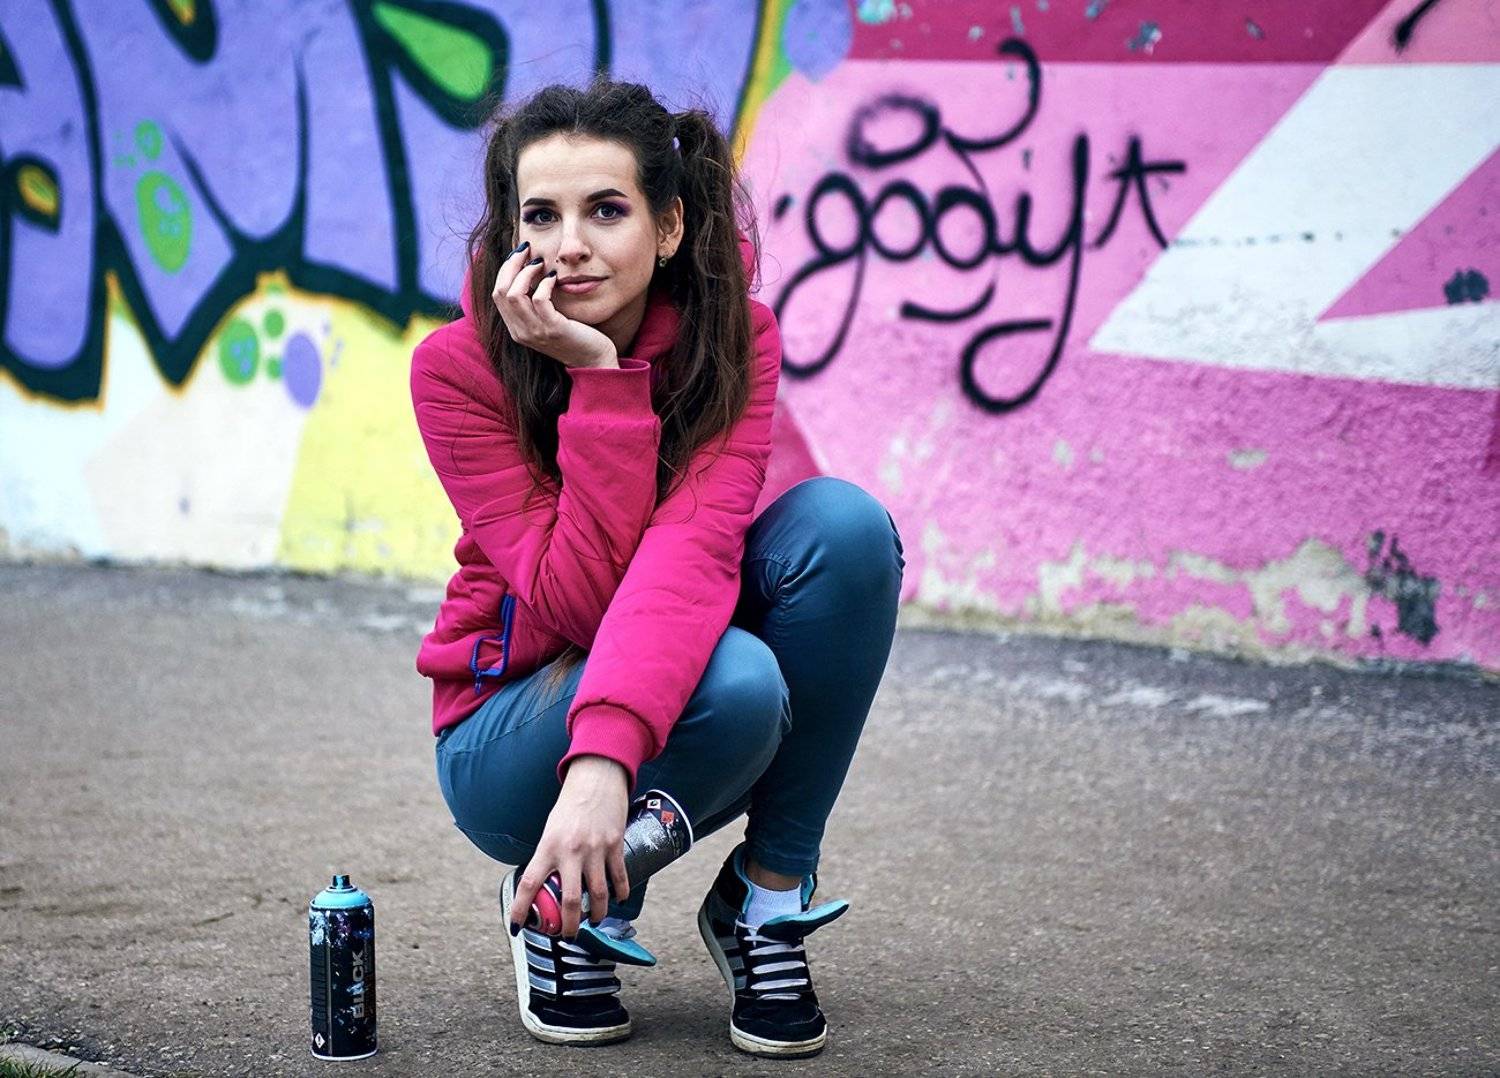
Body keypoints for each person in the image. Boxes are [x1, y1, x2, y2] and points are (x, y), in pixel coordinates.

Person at [409, 78, 905, 1059]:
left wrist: (607, 760)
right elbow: (581, 601)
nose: (568, 245)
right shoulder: (459, 370)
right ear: (510, 231)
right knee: (736, 680)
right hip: (508, 735)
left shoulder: (733, 343)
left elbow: (688, 558)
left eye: (606, 210)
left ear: (669, 225)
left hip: (637, 692)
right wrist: (598, 380)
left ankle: (767, 901)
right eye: (540, 216)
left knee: (844, 533)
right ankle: (565, 905)